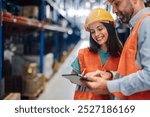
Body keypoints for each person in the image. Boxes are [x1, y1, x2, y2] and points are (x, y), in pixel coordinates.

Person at [83, 0, 150, 100]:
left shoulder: (147, 24)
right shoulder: (136, 27)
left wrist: (109, 86)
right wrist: (111, 76)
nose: (113, 10)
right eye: (112, 5)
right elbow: (133, 71)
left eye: (117, 3)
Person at [71, 8, 122, 100]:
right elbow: (72, 77)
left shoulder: (122, 56)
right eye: (92, 31)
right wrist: (86, 81)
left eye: (100, 29)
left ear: (109, 28)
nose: (96, 34)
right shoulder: (83, 53)